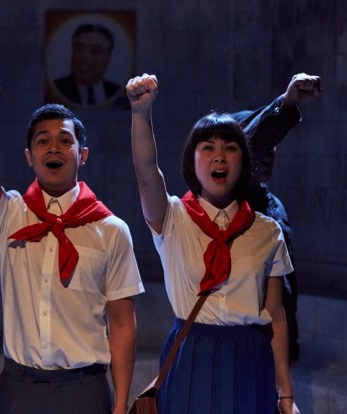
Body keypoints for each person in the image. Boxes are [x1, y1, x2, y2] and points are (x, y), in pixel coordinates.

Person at [0, 62, 144, 414]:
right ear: (29, 157)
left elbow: (121, 322)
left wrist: (120, 403)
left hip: (84, 391)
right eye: (43, 142)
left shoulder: (111, 229)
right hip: (18, 389)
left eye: (65, 141)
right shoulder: (7, 214)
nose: (53, 148)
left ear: (82, 155)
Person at [126, 73, 298, 414]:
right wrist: (140, 113)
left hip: (251, 358)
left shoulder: (266, 231)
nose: (220, 156)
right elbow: (146, 172)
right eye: (208, 148)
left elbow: (276, 315)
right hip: (191, 354)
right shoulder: (173, 218)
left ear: (244, 162)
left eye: (230, 148)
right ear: (193, 160)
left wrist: (285, 394)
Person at [235, 73, 322, 364]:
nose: (270, 154)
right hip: (242, 334)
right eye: (264, 146)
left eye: (274, 147)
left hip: (275, 336)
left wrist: (290, 340)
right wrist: (286, 103)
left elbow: (287, 280)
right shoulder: (228, 201)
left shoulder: (275, 205)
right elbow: (251, 143)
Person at [53, 23, 121, 107]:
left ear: (108, 59)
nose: (85, 57)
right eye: (79, 50)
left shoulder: (118, 92)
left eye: (94, 51)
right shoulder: (58, 89)